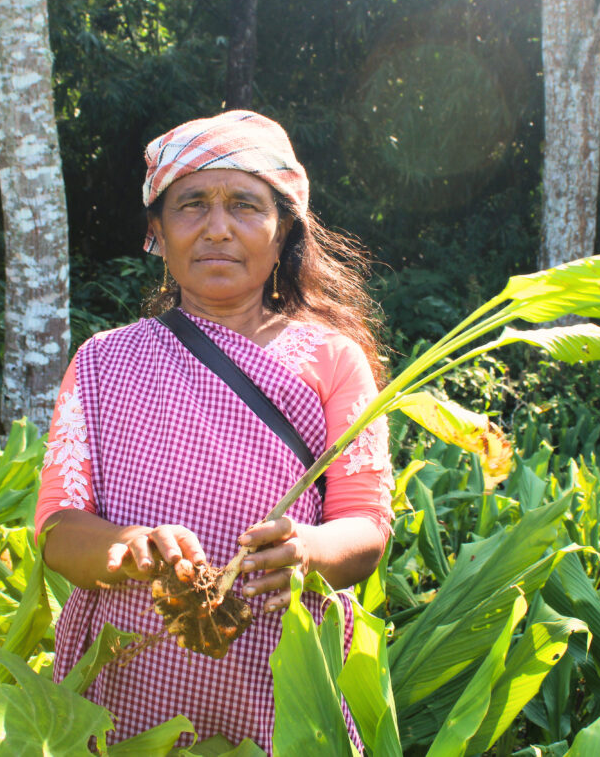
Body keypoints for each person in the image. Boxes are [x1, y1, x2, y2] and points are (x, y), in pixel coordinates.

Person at [35, 110, 393, 751]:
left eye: (246, 205)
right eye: (192, 204)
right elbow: (58, 528)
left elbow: (366, 526)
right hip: (121, 685)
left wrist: (308, 551)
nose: (218, 228)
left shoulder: (334, 361)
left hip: (280, 689)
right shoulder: (101, 362)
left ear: (284, 231)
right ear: (157, 231)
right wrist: (127, 547)